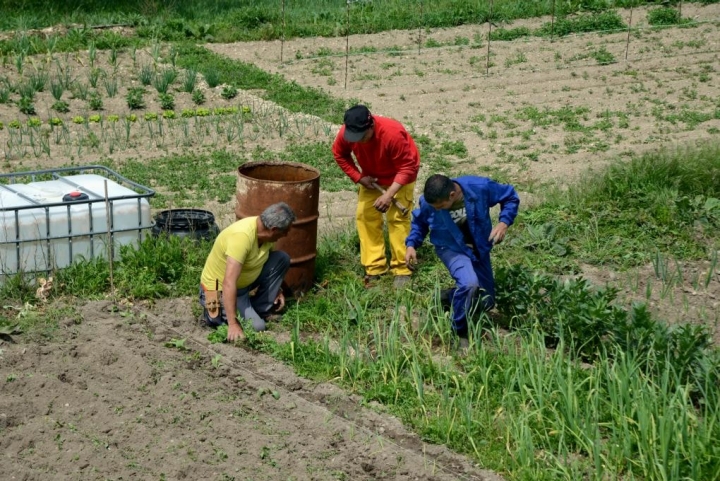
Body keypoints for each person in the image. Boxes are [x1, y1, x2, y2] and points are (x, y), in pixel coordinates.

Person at [405, 174, 520, 342]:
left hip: (478, 247)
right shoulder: (429, 202)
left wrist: (504, 223)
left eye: (441, 206)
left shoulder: (479, 187)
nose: (437, 209)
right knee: (469, 284)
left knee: (486, 301)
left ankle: (448, 297)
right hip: (450, 248)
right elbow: (420, 222)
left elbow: (510, 196)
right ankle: (460, 332)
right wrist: (411, 245)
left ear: (452, 195)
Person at [332, 104, 420, 289]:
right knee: (365, 217)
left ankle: (402, 268)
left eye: (362, 137)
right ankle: (375, 267)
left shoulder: (392, 133)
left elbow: (407, 167)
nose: (359, 141)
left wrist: (389, 195)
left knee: (397, 219)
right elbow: (339, 154)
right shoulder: (346, 133)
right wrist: (359, 177)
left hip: (399, 177)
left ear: (371, 125)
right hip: (372, 177)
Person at [199, 202, 296, 342]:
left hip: (244, 285)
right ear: (274, 229)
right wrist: (233, 324)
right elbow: (228, 282)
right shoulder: (242, 237)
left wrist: (277, 289)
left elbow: (265, 261)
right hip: (222, 289)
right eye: (285, 231)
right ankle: (216, 313)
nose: (285, 235)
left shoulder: (266, 236)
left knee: (281, 258)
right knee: (257, 327)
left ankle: (260, 309)